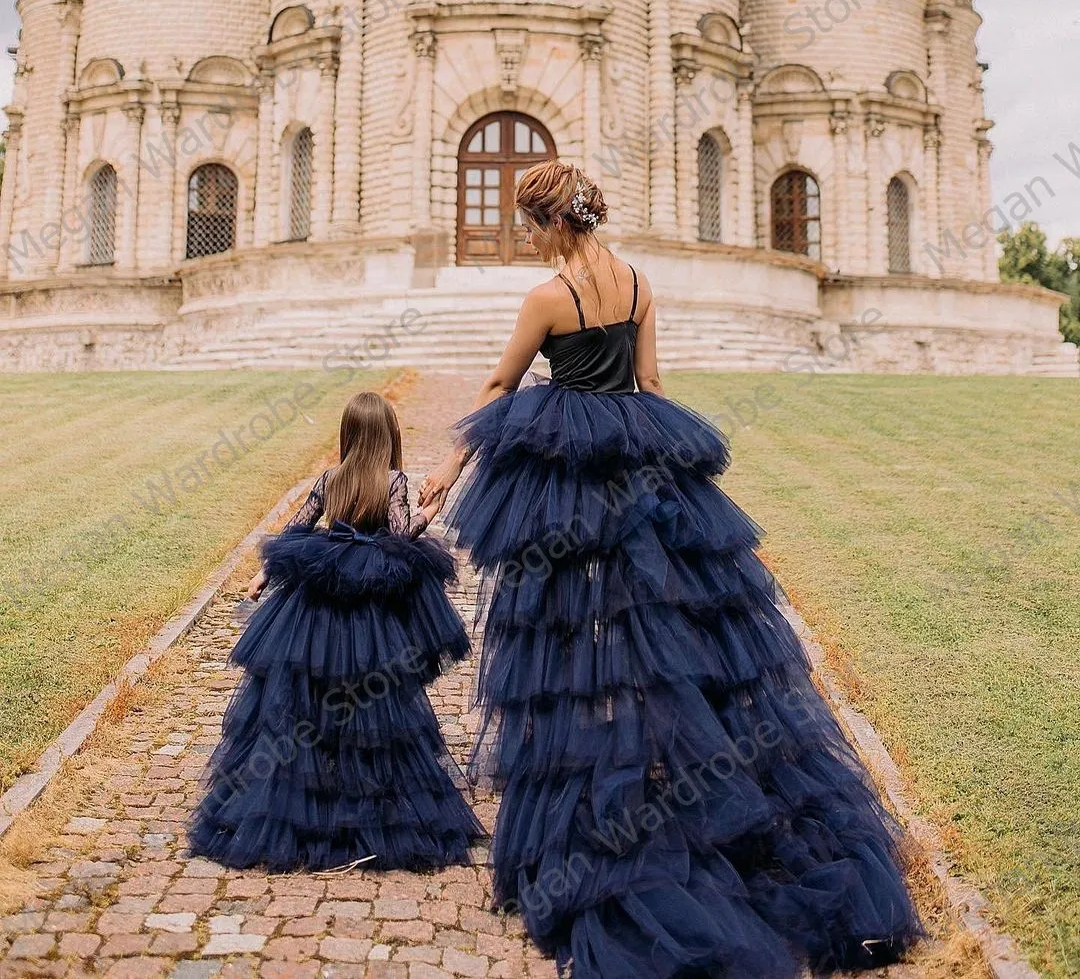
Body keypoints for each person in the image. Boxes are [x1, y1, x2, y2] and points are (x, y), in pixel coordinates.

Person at [419, 160, 926, 979]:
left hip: (566, 483)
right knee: (660, 622)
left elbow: (500, 383)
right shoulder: (638, 282)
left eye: (530, 224)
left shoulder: (549, 297)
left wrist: (448, 469)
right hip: (641, 465)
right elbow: (652, 383)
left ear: (553, 223)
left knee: (563, 629)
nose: (527, 238)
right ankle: (675, 768)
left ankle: (596, 787)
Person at [189, 391, 484, 873]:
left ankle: (309, 792)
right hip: (370, 604)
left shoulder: (330, 479)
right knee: (374, 697)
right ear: (389, 436)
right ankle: (369, 799)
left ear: (348, 435)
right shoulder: (393, 480)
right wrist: (428, 515)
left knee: (309, 694)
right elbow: (398, 532)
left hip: (321, 595)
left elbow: (296, 528)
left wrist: (264, 574)